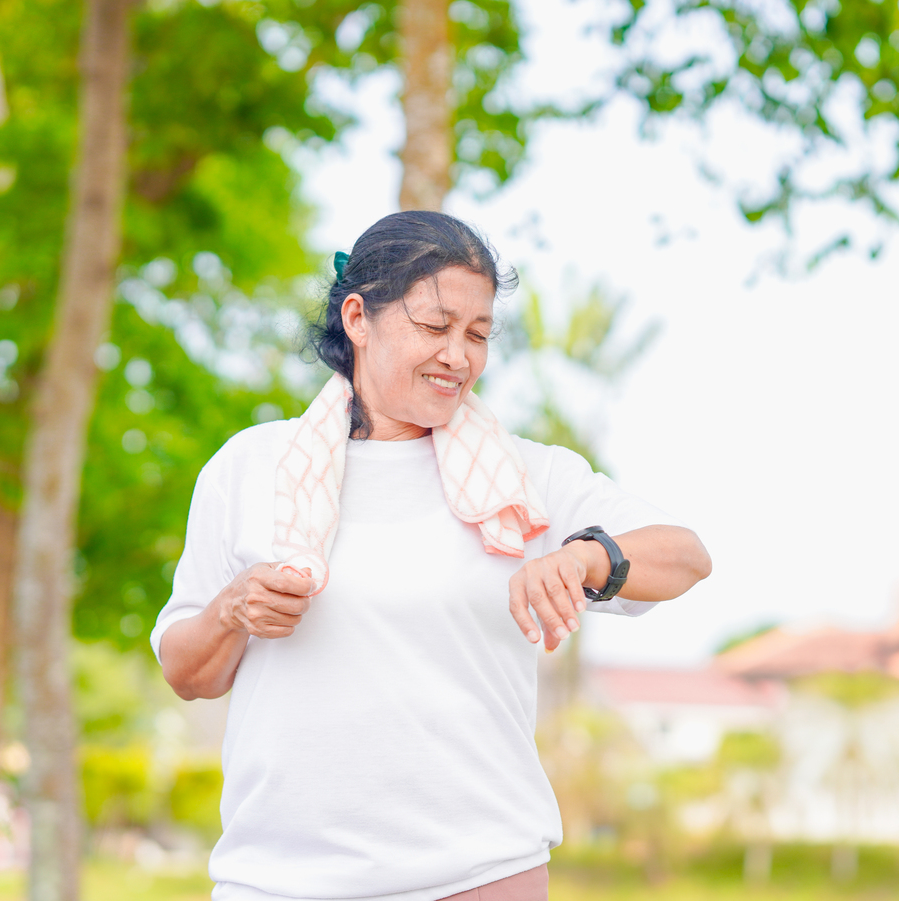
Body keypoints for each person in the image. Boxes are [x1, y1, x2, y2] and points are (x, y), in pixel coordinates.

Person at [152, 211, 711, 901]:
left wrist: (585, 559)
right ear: (358, 316)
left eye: (478, 334)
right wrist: (233, 607)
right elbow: (186, 670)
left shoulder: (524, 479)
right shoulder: (249, 468)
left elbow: (685, 557)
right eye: (435, 325)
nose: (459, 356)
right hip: (275, 879)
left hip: (477, 874)